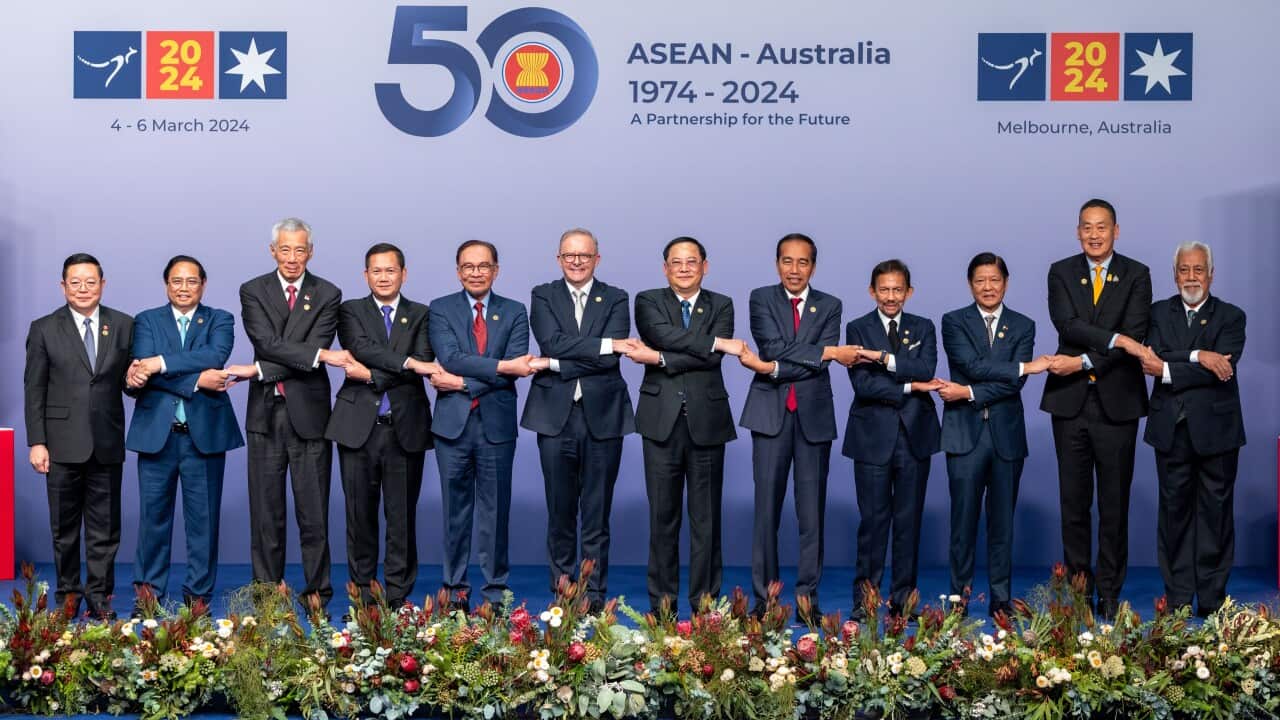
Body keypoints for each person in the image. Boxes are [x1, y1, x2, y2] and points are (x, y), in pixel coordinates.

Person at [228, 217, 352, 613]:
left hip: (309, 416)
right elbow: (267, 342)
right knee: (266, 516)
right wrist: (317, 355)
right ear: (273, 251)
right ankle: (266, 598)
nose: (293, 257)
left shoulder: (328, 293)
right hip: (265, 414)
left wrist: (259, 369)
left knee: (314, 514)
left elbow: (303, 349)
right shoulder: (253, 290)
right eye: (285, 249)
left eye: (300, 249)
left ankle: (317, 595)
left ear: (310, 252)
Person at [736, 233, 858, 619]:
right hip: (769, 416)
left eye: (802, 262)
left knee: (811, 516)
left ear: (813, 267)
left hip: (813, 419)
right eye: (787, 261)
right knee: (766, 514)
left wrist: (774, 367)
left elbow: (807, 364)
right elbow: (772, 346)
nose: (794, 269)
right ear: (777, 264)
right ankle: (765, 601)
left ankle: (808, 602)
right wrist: (826, 351)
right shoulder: (761, 298)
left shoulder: (830, 305)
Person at [1040, 198, 1152, 620]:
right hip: (1069, 403)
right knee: (1073, 505)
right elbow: (1067, 325)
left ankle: (1108, 592)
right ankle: (1079, 592)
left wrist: (1086, 360)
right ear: (1078, 232)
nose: (1094, 234)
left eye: (1101, 227)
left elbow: (1135, 333)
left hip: (1117, 405)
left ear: (1115, 231)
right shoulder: (1061, 271)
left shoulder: (1137, 274)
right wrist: (1116, 339)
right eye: (1086, 227)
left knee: (1113, 505)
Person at [626, 236, 742, 614]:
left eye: (692, 262)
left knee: (706, 522)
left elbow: (711, 360)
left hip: (707, 422)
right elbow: (660, 334)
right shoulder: (648, 300)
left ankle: (705, 610)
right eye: (676, 262)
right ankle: (663, 610)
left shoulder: (722, 304)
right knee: (663, 519)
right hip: (660, 422)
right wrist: (714, 342)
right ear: (665, 269)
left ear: (704, 266)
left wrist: (659, 358)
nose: (684, 268)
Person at [520, 228, 634, 611]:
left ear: (596, 259)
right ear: (558, 259)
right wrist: (603, 345)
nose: (576, 261)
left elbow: (609, 360)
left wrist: (554, 364)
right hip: (555, 417)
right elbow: (551, 342)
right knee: (561, 513)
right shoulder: (543, 295)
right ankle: (565, 596)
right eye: (569, 255)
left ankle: (594, 597)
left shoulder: (616, 297)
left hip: (604, 417)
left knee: (597, 515)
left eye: (584, 255)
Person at [325, 243, 440, 610]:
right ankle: (363, 598)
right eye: (376, 271)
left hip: (405, 428)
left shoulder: (422, 314)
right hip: (357, 428)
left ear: (403, 274)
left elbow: (424, 358)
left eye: (391, 270)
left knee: (401, 517)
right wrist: (406, 365)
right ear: (366, 275)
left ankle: (396, 598)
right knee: (359, 516)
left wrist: (372, 375)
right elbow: (360, 348)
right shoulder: (350, 311)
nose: (384, 277)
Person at [126, 255, 243, 608]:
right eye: (176, 281)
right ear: (167, 285)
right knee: (153, 521)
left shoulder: (220, 319)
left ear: (203, 285)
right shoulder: (146, 320)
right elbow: (142, 369)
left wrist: (160, 364)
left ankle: (198, 598)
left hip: (203, 437)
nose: (183, 287)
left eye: (191, 281)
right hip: (157, 437)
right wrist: (197, 381)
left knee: (203, 522)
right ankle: (149, 597)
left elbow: (214, 355)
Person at [1134, 241, 1244, 617]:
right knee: (1174, 515)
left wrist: (1168, 368)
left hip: (1218, 432)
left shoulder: (1231, 316)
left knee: (1216, 515)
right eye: (1184, 270)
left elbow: (1222, 370)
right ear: (1175, 274)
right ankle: (1179, 597)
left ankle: (1212, 600)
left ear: (1211, 274)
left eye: (1198, 269)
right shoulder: (1156, 313)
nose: (1191, 277)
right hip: (1171, 428)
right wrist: (1200, 355)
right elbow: (1151, 356)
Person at [937, 253, 1048, 616]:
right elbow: (970, 365)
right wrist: (1021, 367)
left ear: (1006, 283)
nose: (988, 287)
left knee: (1002, 524)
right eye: (980, 281)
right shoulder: (953, 321)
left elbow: (1015, 383)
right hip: (964, 435)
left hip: (1006, 436)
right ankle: (959, 598)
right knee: (962, 523)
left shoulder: (1024, 325)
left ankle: (1001, 598)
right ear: (971, 284)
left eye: (995, 280)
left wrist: (968, 392)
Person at [24, 253, 134, 617]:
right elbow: (34, 389)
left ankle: (100, 595)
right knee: (65, 528)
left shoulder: (123, 325)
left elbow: (128, 383)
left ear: (103, 284)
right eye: (75, 282)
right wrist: (37, 441)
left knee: (105, 529)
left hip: (107, 441)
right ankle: (68, 595)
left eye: (91, 281)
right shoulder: (43, 328)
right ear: (63, 286)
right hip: (59, 443)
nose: (83, 288)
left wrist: (135, 380)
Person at [428, 240, 537, 609]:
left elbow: (516, 368)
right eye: (468, 266)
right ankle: (455, 593)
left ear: (496, 270)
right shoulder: (440, 308)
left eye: (483, 266)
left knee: (495, 513)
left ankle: (495, 595)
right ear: (459, 271)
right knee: (454, 514)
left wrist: (462, 383)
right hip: (452, 428)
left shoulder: (515, 311)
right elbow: (451, 358)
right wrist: (501, 367)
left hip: (496, 427)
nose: (476, 273)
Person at [843, 259, 942, 618]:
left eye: (897, 289)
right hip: (871, 436)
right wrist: (910, 385)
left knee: (908, 521)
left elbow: (926, 369)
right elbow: (863, 385)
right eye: (883, 289)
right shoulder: (857, 327)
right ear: (872, 292)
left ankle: (904, 602)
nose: (890, 296)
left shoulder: (924, 327)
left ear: (908, 292)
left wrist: (883, 359)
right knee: (872, 522)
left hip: (915, 435)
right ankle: (866, 601)